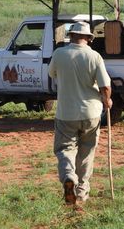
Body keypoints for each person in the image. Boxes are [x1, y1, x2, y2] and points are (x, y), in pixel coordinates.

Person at [48, 21, 112, 205]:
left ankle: (69, 176)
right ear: (89, 39)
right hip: (91, 113)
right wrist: (107, 100)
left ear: (71, 36)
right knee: (86, 153)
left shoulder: (59, 54)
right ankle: (82, 192)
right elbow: (105, 86)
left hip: (65, 113)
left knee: (64, 149)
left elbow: (52, 73)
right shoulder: (94, 56)